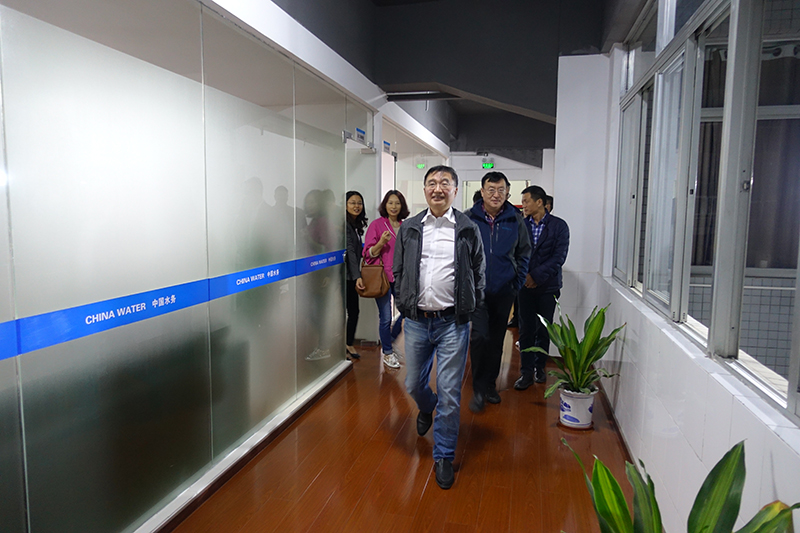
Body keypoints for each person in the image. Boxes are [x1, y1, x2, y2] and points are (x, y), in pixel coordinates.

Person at [394, 165, 485, 490]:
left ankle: (444, 455)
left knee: (450, 393)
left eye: (445, 183)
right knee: (413, 384)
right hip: (417, 321)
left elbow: (479, 270)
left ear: (455, 191)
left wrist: (471, 305)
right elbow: (398, 269)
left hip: (452, 324)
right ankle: (426, 405)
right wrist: (403, 301)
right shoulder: (410, 227)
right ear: (424, 190)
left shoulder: (467, 228)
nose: (438, 188)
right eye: (432, 183)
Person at [467, 172, 530, 412]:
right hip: (476, 292)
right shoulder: (468, 218)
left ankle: (489, 385)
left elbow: (524, 253)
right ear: (482, 192)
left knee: (495, 340)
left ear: (508, 193)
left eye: (501, 190)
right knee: (479, 337)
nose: (496, 194)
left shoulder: (515, 219)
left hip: (504, 290)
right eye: (491, 189)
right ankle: (478, 385)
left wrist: (517, 282)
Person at [515, 185, 569, 389]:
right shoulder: (520, 225)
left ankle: (540, 367)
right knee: (525, 329)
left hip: (548, 287)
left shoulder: (559, 226)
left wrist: (535, 276)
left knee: (544, 329)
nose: (523, 205)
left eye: (526, 201)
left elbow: (559, 257)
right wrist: (525, 277)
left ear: (539, 202)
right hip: (524, 287)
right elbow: (514, 253)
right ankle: (526, 372)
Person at [363, 190, 410, 369]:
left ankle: (389, 340)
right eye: (390, 203)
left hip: (401, 277)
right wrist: (381, 242)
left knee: (406, 311)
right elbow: (368, 254)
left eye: (397, 203)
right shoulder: (377, 225)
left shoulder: (406, 226)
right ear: (385, 205)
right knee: (385, 317)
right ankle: (388, 353)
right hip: (382, 277)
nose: (394, 206)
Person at [345, 191, 367, 360]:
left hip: (350, 274)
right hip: (346, 276)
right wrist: (357, 276)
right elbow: (350, 253)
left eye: (359, 203)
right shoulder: (345, 225)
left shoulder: (355, 225)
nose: (356, 206)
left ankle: (347, 343)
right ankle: (347, 344)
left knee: (353, 311)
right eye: (352, 202)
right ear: (345, 205)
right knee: (352, 311)